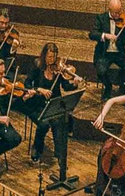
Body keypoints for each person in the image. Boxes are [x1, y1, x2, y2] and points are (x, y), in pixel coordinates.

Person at [29, 42, 85, 186]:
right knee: (43, 123)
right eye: (49, 57)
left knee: (59, 123)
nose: (51, 60)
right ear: (44, 55)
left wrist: (74, 82)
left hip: (54, 104)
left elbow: (65, 86)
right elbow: (28, 84)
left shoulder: (58, 70)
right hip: (38, 104)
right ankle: (37, 148)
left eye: (54, 57)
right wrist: (40, 90)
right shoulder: (37, 67)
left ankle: (61, 157)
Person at [92, 0, 125, 92]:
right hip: (104, 53)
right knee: (101, 70)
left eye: (119, 12)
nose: (118, 15)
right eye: (115, 13)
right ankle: (108, 87)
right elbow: (92, 34)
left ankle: (122, 89)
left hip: (119, 53)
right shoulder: (101, 18)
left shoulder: (124, 20)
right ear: (109, 9)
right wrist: (105, 35)